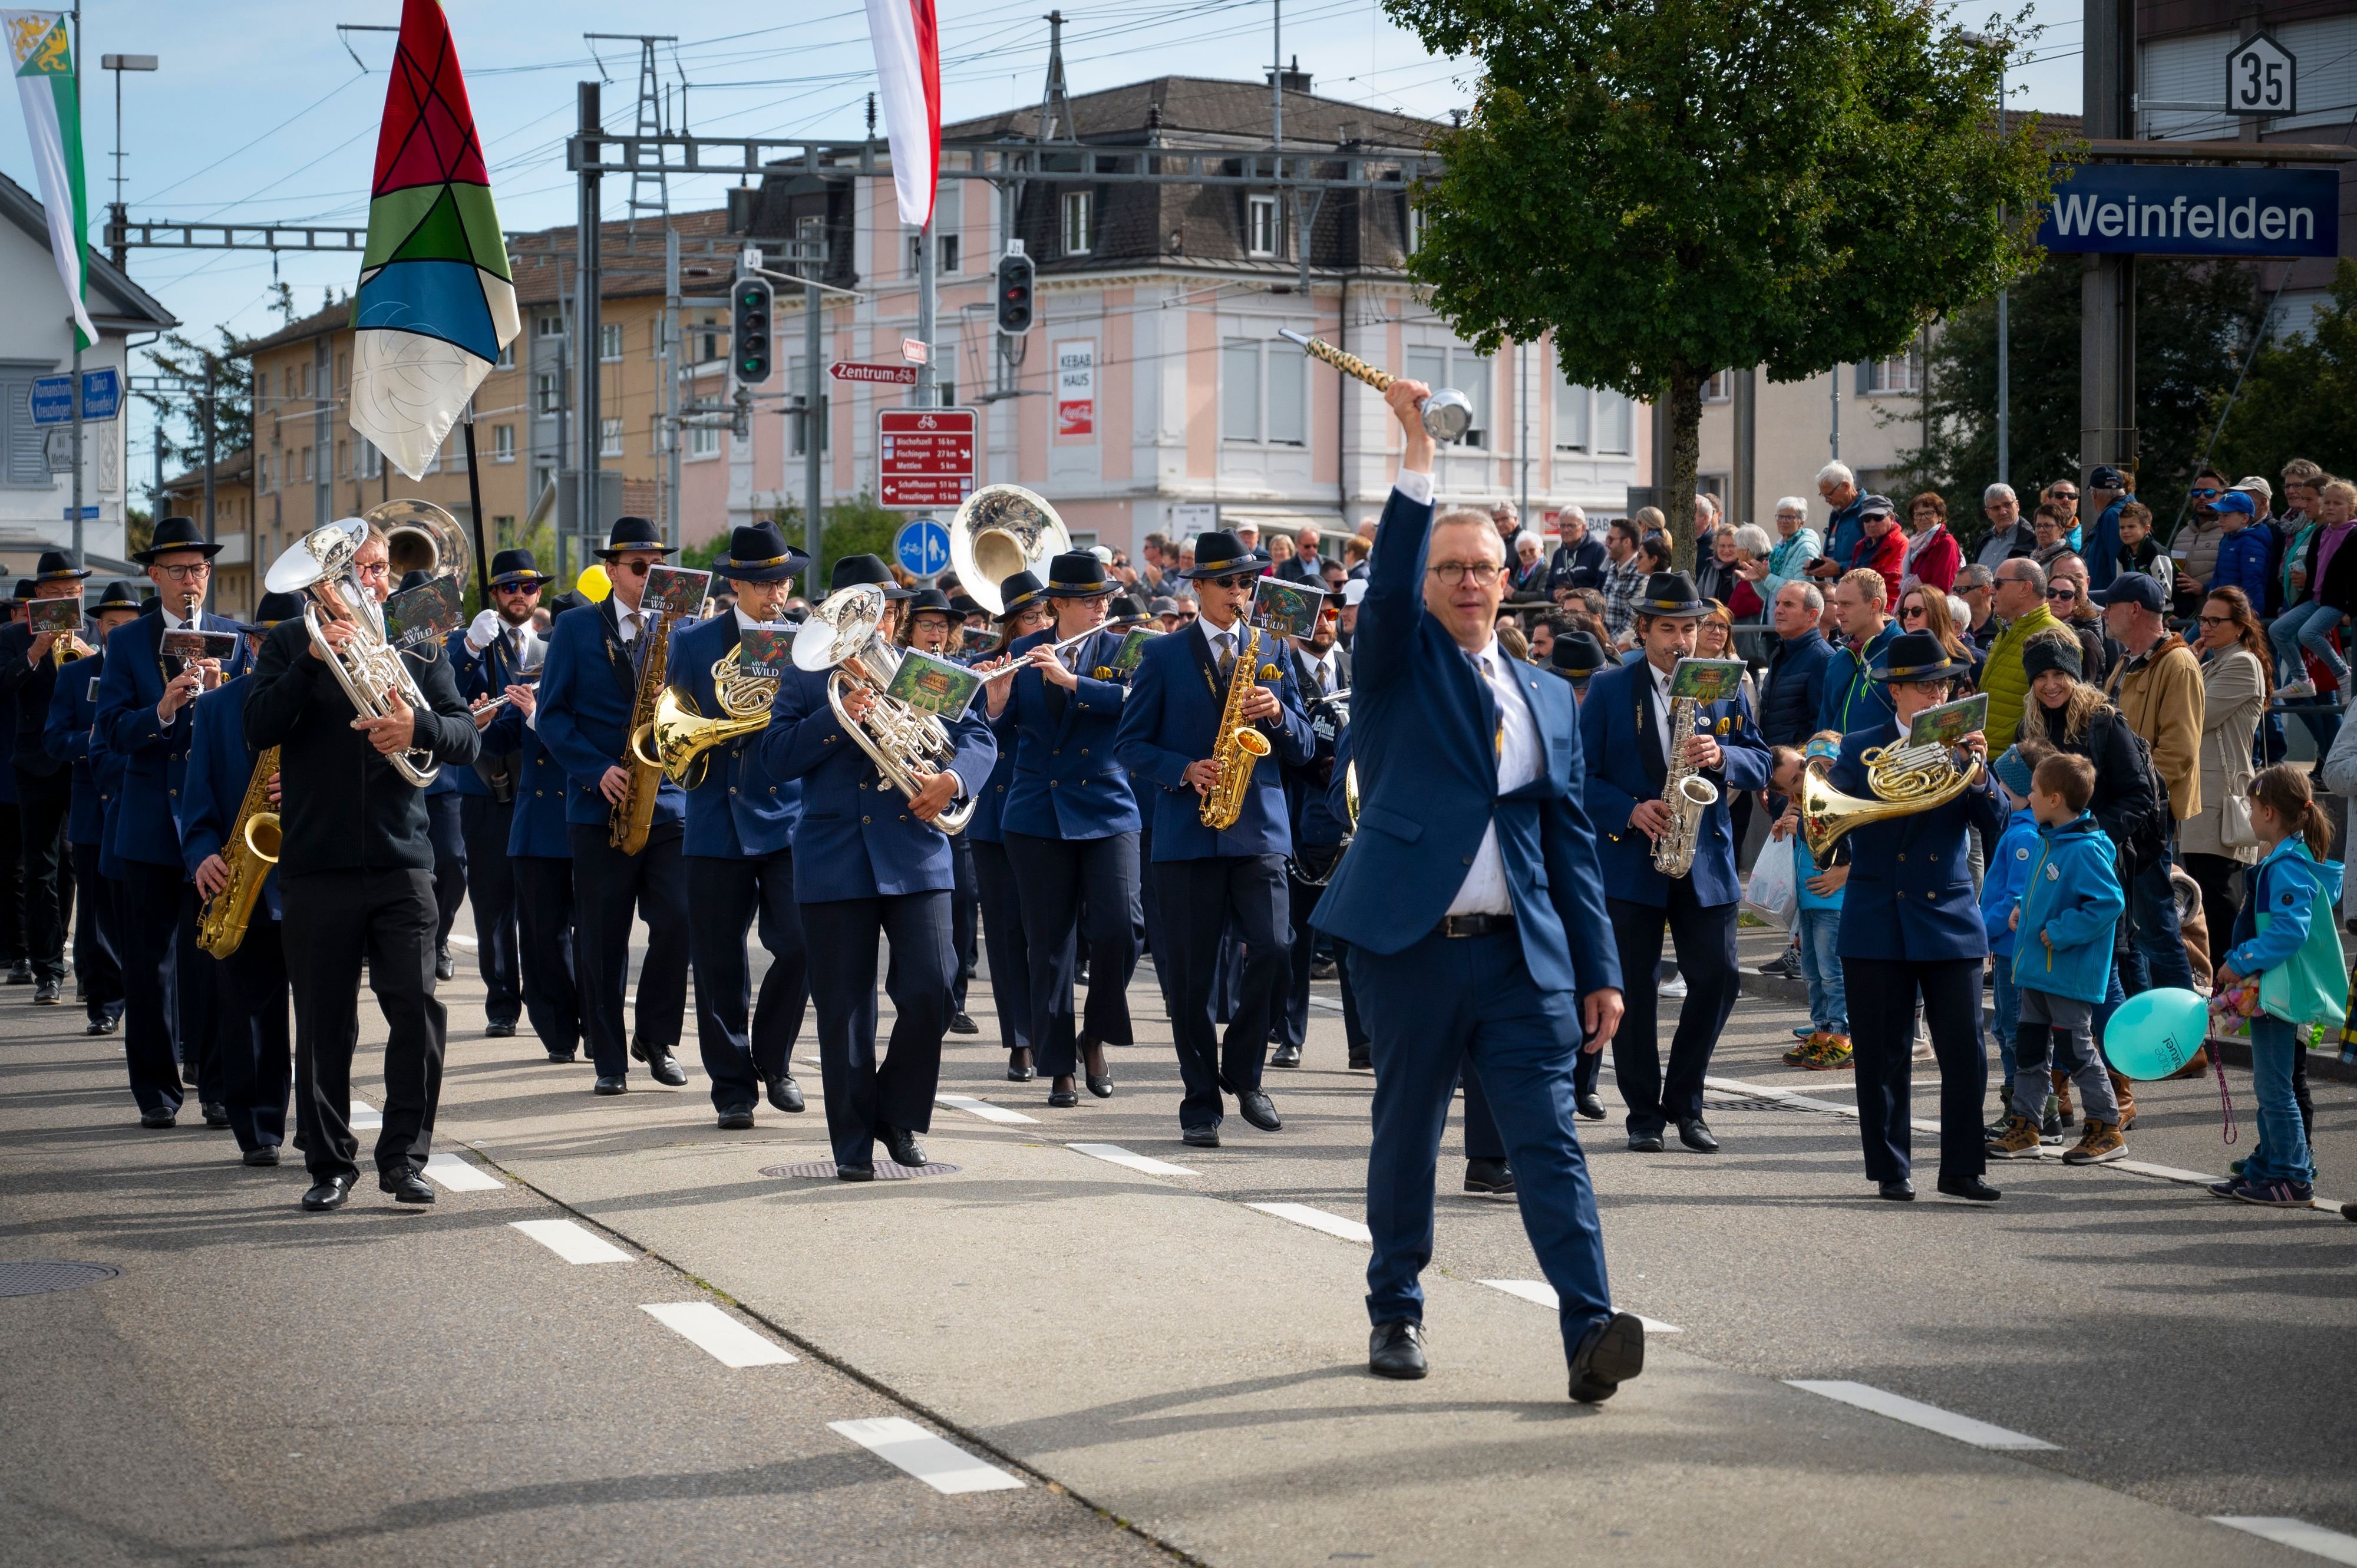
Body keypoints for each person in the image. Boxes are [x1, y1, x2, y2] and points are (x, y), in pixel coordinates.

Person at [1307, 374, 1636, 1400]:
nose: (1464, 582)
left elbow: (1571, 839)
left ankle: (1589, 1330)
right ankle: (1395, 1310)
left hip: (1520, 955)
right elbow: (1400, 561)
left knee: (1548, 1143)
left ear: (1509, 581)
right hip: (1409, 945)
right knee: (1407, 1132)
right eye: (1448, 569)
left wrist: (1601, 969)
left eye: (1481, 569)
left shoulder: (1547, 693)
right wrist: (1416, 453)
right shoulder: (1401, 663)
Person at [242, 520, 481, 1211]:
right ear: (323, 583)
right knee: (323, 1022)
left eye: (376, 569)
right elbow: (256, 727)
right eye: (355, 570)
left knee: (414, 1007)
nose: (369, 581)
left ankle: (405, 1158)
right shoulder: (288, 643)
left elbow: (464, 735)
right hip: (316, 863)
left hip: (403, 860)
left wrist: (419, 729)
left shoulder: (415, 641)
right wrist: (313, 662)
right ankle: (329, 1163)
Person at [757, 554, 997, 1179]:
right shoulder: (808, 678)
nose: (879, 621)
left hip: (915, 853)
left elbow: (977, 739)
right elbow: (774, 759)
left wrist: (952, 780)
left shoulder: (923, 670)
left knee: (934, 990)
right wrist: (839, 721)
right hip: (834, 859)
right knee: (844, 1010)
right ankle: (853, 1145)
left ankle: (896, 1113)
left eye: (887, 609)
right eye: (866, 609)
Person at [1114, 530, 1316, 1146]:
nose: (1238, 592)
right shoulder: (1161, 657)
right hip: (1188, 836)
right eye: (1226, 582)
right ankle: (1200, 1101)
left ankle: (1245, 1071)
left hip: (1258, 829)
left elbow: (1305, 747)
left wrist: (1279, 716)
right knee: (1190, 980)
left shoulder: (1272, 651)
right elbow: (1128, 745)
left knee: (1277, 947)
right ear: (1197, 587)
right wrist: (1183, 770)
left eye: (1245, 583)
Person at [1581, 570, 1769, 1154]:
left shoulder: (1724, 686)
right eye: (1668, 629)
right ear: (1642, 629)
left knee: (1720, 977)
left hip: (1704, 857)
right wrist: (1629, 810)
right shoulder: (1610, 689)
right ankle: (1643, 1113)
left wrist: (1725, 755)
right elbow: (1575, 778)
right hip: (1634, 857)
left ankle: (1686, 1102)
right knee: (1632, 989)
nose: (1681, 641)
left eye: (1690, 628)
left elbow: (1761, 761)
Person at [1823, 629, 2003, 1202]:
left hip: (1948, 914)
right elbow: (1829, 832)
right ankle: (1890, 1170)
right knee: (1881, 1054)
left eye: (1943, 685)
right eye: (1925, 686)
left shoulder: (1965, 747)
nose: (1936, 696)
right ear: (1895, 691)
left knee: (1964, 1052)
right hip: (1876, 913)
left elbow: (1995, 822)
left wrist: (1977, 773)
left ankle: (1962, 1169)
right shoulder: (1859, 748)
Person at [95, 517, 251, 1130]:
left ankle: (216, 1086)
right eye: (181, 571)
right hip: (150, 824)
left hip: (211, 821)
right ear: (154, 576)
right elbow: (109, 732)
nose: (194, 581)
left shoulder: (232, 637)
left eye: (201, 570)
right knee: (149, 965)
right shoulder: (129, 642)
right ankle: (157, 1091)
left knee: (214, 959)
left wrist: (221, 696)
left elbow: (253, 724)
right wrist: (161, 710)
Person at [534, 516, 694, 1097]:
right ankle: (609, 1059)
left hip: (668, 800)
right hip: (599, 801)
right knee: (601, 937)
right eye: (638, 567)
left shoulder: (683, 629)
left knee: (679, 919)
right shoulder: (576, 627)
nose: (649, 575)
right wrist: (592, 770)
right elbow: (550, 716)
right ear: (611, 571)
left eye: (656, 565)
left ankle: (657, 1037)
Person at [665, 522, 813, 1129]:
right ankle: (732, 1089)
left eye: (780, 581)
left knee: (803, 944)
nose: (774, 593)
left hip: (788, 817)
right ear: (735, 583)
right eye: (761, 583)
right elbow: (674, 723)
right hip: (717, 817)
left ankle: (773, 1059)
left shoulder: (807, 641)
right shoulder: (697, 643)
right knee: (720, 961)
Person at [988, 550, 1141, 1108]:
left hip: (1106, 804)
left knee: (1123, 928)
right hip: (1037, 811)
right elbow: (998, 729)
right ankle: (1059, 1067)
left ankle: (1094, 1035)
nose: (1101, 605)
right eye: (1088, 599)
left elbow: (1136, 705)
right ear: (1058, 605)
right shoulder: (1023, 651)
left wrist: (1074, 681)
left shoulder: (1127, 647)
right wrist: (997, 704)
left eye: (1104, 596)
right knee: (1049, 943)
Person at [182, 592, 305, 1167]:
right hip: (242, 880)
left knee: (322, 1018)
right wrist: (202, 854)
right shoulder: (214, 710)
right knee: (246, 1017)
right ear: (254, 645)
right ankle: (258, 1131)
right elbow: (197, 805)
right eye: (273, 639)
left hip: (312, 882)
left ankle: (316, 1127)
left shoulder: (327, 704)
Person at [1983, 751, 2128, 1166]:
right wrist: (2018, 908)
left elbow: (2107, 903)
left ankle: (2105, 1126)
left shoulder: (2084, 849)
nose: (2028, 794)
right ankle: (2026, 1125)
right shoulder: (2049, 841)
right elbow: (2039, 895)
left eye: (2034, 789)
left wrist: (2061, 932)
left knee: (2076, 1048)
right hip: (2037, 972)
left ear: (2055, 798)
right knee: (2030, 1050)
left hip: (2066, 973)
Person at [2210, 765, 2336, 1207]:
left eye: (2250, 805)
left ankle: (2293, 1174)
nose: (2247, 812)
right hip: (2271, 990)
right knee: (2271, 1085)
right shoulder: (2280, 860)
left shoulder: (2286, 866)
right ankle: (2271, 1162)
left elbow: (2288, 932)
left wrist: (2239, 961)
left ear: (2266, 811)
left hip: (2279, 993)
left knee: (2276, 1087)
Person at [445, 547, 552, 1038]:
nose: (519, 595)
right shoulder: (470, 643)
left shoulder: (549, 648)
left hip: (535, 787)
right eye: (509, 587)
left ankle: (549, 1001)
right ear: (493, 595)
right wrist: (469, 648)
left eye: (528, 587)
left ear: (539, 593)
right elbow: (444, 691)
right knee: (492, 905)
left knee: (542, 906)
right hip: (484, 785)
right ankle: (502, 1001)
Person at [2096, 573, 2201, 999]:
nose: (2103, 613)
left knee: (2155, 925)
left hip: (2150, 817)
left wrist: (2132, 794)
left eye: (2110, 606)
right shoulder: (2126, 659)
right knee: (2131, 930)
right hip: (2127, 813)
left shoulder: (2178, 663)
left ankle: (2185, 1040)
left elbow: (2179, 751)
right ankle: (2147, 1034)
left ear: (2135, 610)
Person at [0, 549, 96, 1005]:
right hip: (35, 762)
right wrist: (36, 651)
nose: (64, 600)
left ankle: (60, 949)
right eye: (55, 594)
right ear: (37, 597)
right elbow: (4, 685)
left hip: (81, 760)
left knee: (73, 861)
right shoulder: (12, 636)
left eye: (71, 593)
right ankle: (47, 970)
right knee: (39, 865)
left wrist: (95, 657)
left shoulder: (96, 635)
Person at [45, 579, 136, 1036]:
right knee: (97, 915)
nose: (119, 634)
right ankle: (103, 1003)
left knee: (142, 915)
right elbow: (54, 738)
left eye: (129, 626)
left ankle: (146, 1001)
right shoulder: (75, 675)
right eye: (112, 625)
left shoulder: (150, 672)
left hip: (140, 806)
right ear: (99, 628)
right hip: (92, 810)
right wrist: (96, 743)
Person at [968, 573, 1050, 1080]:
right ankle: (1020, 1038)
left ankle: (1049, 1029)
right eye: (1030, 617)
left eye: (1046, 614)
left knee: (1046, 930)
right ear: (1011, 626)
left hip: (1042, 811)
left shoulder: (1061, 663)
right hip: (995, 815)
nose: (1041, 624)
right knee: (1004, 932)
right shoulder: (983, 669)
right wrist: (993, 696)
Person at [904, 589, 981, 1034]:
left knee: (964, 898)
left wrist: (953, 780)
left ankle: (957, 997)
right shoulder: (896, 670)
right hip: (911, 804)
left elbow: (978, 736)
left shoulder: (955, 673)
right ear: (909, 629)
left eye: (942, 626)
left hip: (951, 799)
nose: (936, 633)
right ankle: (937, 994)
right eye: (927, 624)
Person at [2183, 587, 2267, 972]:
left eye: (2217, 620)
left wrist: (2186, 665)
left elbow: (2197, 713)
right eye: (2203, 619)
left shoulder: (2243, 663)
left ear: (2240, 626)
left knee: (2220, 895)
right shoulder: (2210, 663)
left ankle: (2233, 983)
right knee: (2205, 892)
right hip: (2201, 795)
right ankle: (2221, 985)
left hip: (2222, 796)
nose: (2207, 626)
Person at [1769, 737, 1851, 1069]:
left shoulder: (1831, 798)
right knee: (1812, 972)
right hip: (1809, 902)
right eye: (1795, 780)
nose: (1806, 777)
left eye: (1804, 768)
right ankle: (1821, 1032)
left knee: (1833, 972)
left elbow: (1839, 840)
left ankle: (1842, 1035)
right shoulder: (1798, 804)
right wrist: (1784, 827)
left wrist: (1800, 827)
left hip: (1832, 901)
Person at [1978, 747, 2041, 1115]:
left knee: (2015, 1031)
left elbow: (2016, 898)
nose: (1998, 789)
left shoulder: (2024, 836)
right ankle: (2022, 1109)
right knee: (2005, 1028)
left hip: (2014, 948)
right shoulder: (2019, 829)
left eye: (2002, 782)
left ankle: (2027, 1112)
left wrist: (1980, 931)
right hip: (2006, 947)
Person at [2270, 478, 2357, 699]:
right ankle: (2302, 680)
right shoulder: (2321, 532)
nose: (2330, 508)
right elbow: (2316, 571)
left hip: (2338, 601)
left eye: (2337, 503)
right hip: (2317, 599)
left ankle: (2344, 675)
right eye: (2326, 502)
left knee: (2308, 633)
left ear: (2352, 507)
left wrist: (2350, 609)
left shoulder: (2353, 534)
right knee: (2278, 630)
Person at [1979, 557, 2058, 748]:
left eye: (1998, 583)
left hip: (2017, 760)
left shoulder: (2052, 636)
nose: (1991, 590)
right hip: (1989, 756)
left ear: (2025, 588)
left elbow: (2057, 712)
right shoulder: (2005, 631)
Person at [1818, 568, 1899, 736]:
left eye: (1847, 604)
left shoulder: (1905, 654)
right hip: (1840, 762)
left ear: (1874, 605)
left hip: (1891, 761)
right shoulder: (1838, 661)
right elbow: (1824, 732)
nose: (1838, 612)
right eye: (1837, 604)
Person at [1750, 497, 1821, 603]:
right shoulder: (1779, 549)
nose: (1783, 521)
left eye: (1789, 517)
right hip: (1776, 616)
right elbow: (1770, 597)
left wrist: (1768, 577)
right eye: (1780, 517)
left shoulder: (1805, 548)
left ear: (1801, 523)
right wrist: (1757, 580)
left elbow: (1802, 593)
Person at [1805, 463, 1865, 580]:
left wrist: (1841, 568)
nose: (1827, 500)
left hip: (1860, 589)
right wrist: (1819, 568)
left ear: (1846, 486)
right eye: (1823, 495)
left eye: (1829, 495)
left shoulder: (1868, 512)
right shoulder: (1837, 514)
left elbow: (1878, 556)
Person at [1597, 519, 1646, 646]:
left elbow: (1633, 620)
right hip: (1606, 641)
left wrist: (1607, 643)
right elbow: (1604, 611)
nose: (1607, 544)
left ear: (1626, 542)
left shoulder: (1640, 572)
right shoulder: (1613, 568)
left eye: (1611, 540)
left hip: (1622, 644)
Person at [1899, 493, 1960, 594]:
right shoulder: (1914, 545)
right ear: (1914, 520)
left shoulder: (1946, 543)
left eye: (1929, 513)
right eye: (1918, 515)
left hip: (1933, 605)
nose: (1923, 518)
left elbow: (1942, 587)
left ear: (1940, 516)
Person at [2111, 501, 2171, 601]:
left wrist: (2165, 613)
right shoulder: (2122, 554)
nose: (2125, 531)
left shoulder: (2155, 552)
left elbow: (2164, 591)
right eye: (2122, 527)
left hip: (2175, 611)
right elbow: (2121, 587)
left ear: (2146, 529)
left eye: (2131, 527)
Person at [2084, 466, 2130, 592]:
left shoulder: (2113, 516)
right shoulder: (2130, 508)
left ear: (2095, 494)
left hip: (2109, 599)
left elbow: (2119, 565)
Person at [1975, 484, 2035, 573]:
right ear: (1988, 513)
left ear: (2017, 506)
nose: (2003, 512)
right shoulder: (1983, 541)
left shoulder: (2032, 539)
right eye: (1996, 508)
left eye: (2007, 505)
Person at [1547, 506, 1606, 593]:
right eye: (1562, 526)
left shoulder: (1599, 550)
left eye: (1571, 525)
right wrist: (1555, 595)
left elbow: (1604, 586)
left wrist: (1577, 597)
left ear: (1583, 528)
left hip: (1590, 606)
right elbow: (1549, 588)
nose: (1566, 530)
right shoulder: (1558, 554)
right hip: (1565, 607)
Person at [1694, 526, 1742, 607]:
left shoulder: (1744, 569)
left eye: (1731, 546)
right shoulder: (1710, 569)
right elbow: (1698, 597)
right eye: (1722, 546)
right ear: (1716, 548)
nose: (1726, 550)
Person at [1953, 565, 1998, 649]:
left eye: (1961, 590)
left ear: (1984, 591)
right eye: (1954, 590)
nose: (1955, 595)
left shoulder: (2003, 627)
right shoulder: (1953, 625)